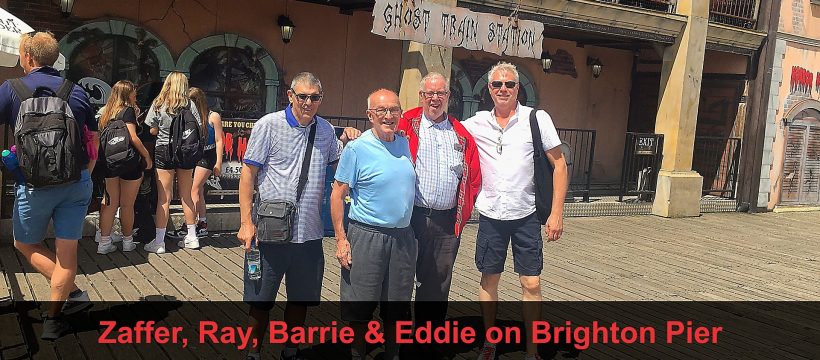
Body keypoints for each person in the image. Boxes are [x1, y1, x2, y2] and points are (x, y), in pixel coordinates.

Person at [237, 72, 360, 360]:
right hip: (269, 232)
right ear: (290, 96)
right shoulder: (269, 125)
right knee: (260, 299)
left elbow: (341, 165)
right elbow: (248, 173)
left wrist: (353, 139)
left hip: (309, 233)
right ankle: (252, 351)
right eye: (302, 96)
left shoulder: (327, 130)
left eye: (314, 97)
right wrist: (245, 222)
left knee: (301, 299)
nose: (308, 102)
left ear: (320, 99)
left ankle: (290, 350)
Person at [462, 62, 569, 360]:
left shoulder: (536, 118)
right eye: (497, 85)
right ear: (489, 89)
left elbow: (559, 166)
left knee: (531, 282)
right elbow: (438, 126)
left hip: (527, 215)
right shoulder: (477, 122)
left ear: (518, 88)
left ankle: (532, 350)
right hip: (491, 216)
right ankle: (489, 342)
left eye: (509, 84)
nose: (503, 89)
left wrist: (556, 212)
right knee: (489, 280)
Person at [0, 31, 97, 339]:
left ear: (28, 57)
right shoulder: (76, 91)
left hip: (34, 184)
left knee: (25, 243)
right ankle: (56, 316)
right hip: (76, 180)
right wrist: (86, 173)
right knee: (67, 252)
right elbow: (91, 138)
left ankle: (70, 292)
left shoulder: (11, 89)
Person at [397, 72, 481, 358]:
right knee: (400, 279)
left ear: (448, 97)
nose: (434, 99)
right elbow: (378, 138)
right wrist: (351, 133)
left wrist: (464, 214)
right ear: (421, 97)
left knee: (436, 285)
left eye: (440, 93)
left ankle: (427, 342)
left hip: (446, 222)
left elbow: (474, 178)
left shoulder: (461, 133)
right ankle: (395, 340)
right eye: (428, 93)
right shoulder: (405, 123)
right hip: (410, 218)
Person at [331, 89, 417, 360]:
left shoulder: (404, 143)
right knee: (360, 305)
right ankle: (358, 355)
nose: (389, 116)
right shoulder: (357, 148)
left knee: (397, 306)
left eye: (394, 110)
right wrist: (341, 240)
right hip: (366, 235)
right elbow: (337, 193)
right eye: (382, 111)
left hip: (403, 238)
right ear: (369, 115)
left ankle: (393, 355)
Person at [143, 72, 203, 253]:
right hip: (185, 151)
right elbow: (197, 127)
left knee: (164, 197)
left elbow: (151, 128)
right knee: (186, 194)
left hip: (164, 150)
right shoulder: (189, 104)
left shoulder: (159, 103)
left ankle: (159, 242)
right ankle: (192, 237)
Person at [96, 80, 153, 254]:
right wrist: (146, 156)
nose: (136, 93)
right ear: (128, 93)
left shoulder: (106, 113)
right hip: (129, 162)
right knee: (127, 205)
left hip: (110, 162)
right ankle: (128, 241)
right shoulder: (127, 110)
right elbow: (133, 137)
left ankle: (104, 242)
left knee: (110, 203)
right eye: (134, 91)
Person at [166, 87, 223, 239]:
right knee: (198, 190)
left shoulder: (213, 116)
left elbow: (219, 140)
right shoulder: (189, 116)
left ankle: (189, 225)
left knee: (193, 189)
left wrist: (218, 162)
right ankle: (202, 224)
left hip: (207, 154)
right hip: (194, 154)